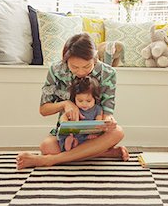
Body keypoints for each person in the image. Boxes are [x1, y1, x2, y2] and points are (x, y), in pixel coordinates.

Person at [16, 33, 129, 169]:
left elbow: (107, 110)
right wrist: (65, 104)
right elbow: (44, 110)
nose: (81, 72)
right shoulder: (56, 70)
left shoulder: (108, 73)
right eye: (74, 67)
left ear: (95, 59)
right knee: (46, 146)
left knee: (118, 132)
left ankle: (49, 160)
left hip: (94, 136)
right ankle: (103, 153)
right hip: (67, 134)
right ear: (66, 60)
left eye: (87, 66)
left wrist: (109, 121)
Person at [59, 76, 103, 151]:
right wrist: (64, 123)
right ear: (74, 98)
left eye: (88, 101)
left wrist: (95, 132)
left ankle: (75, 144)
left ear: (95, 98)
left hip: (88, 135)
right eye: (80, 101)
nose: (84, 104)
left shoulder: (97, 109)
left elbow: (98, 122)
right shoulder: (74, 108)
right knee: (65, 135)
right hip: (74, 134)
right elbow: (63, 116)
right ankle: (71, 142)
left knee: (96, 139)